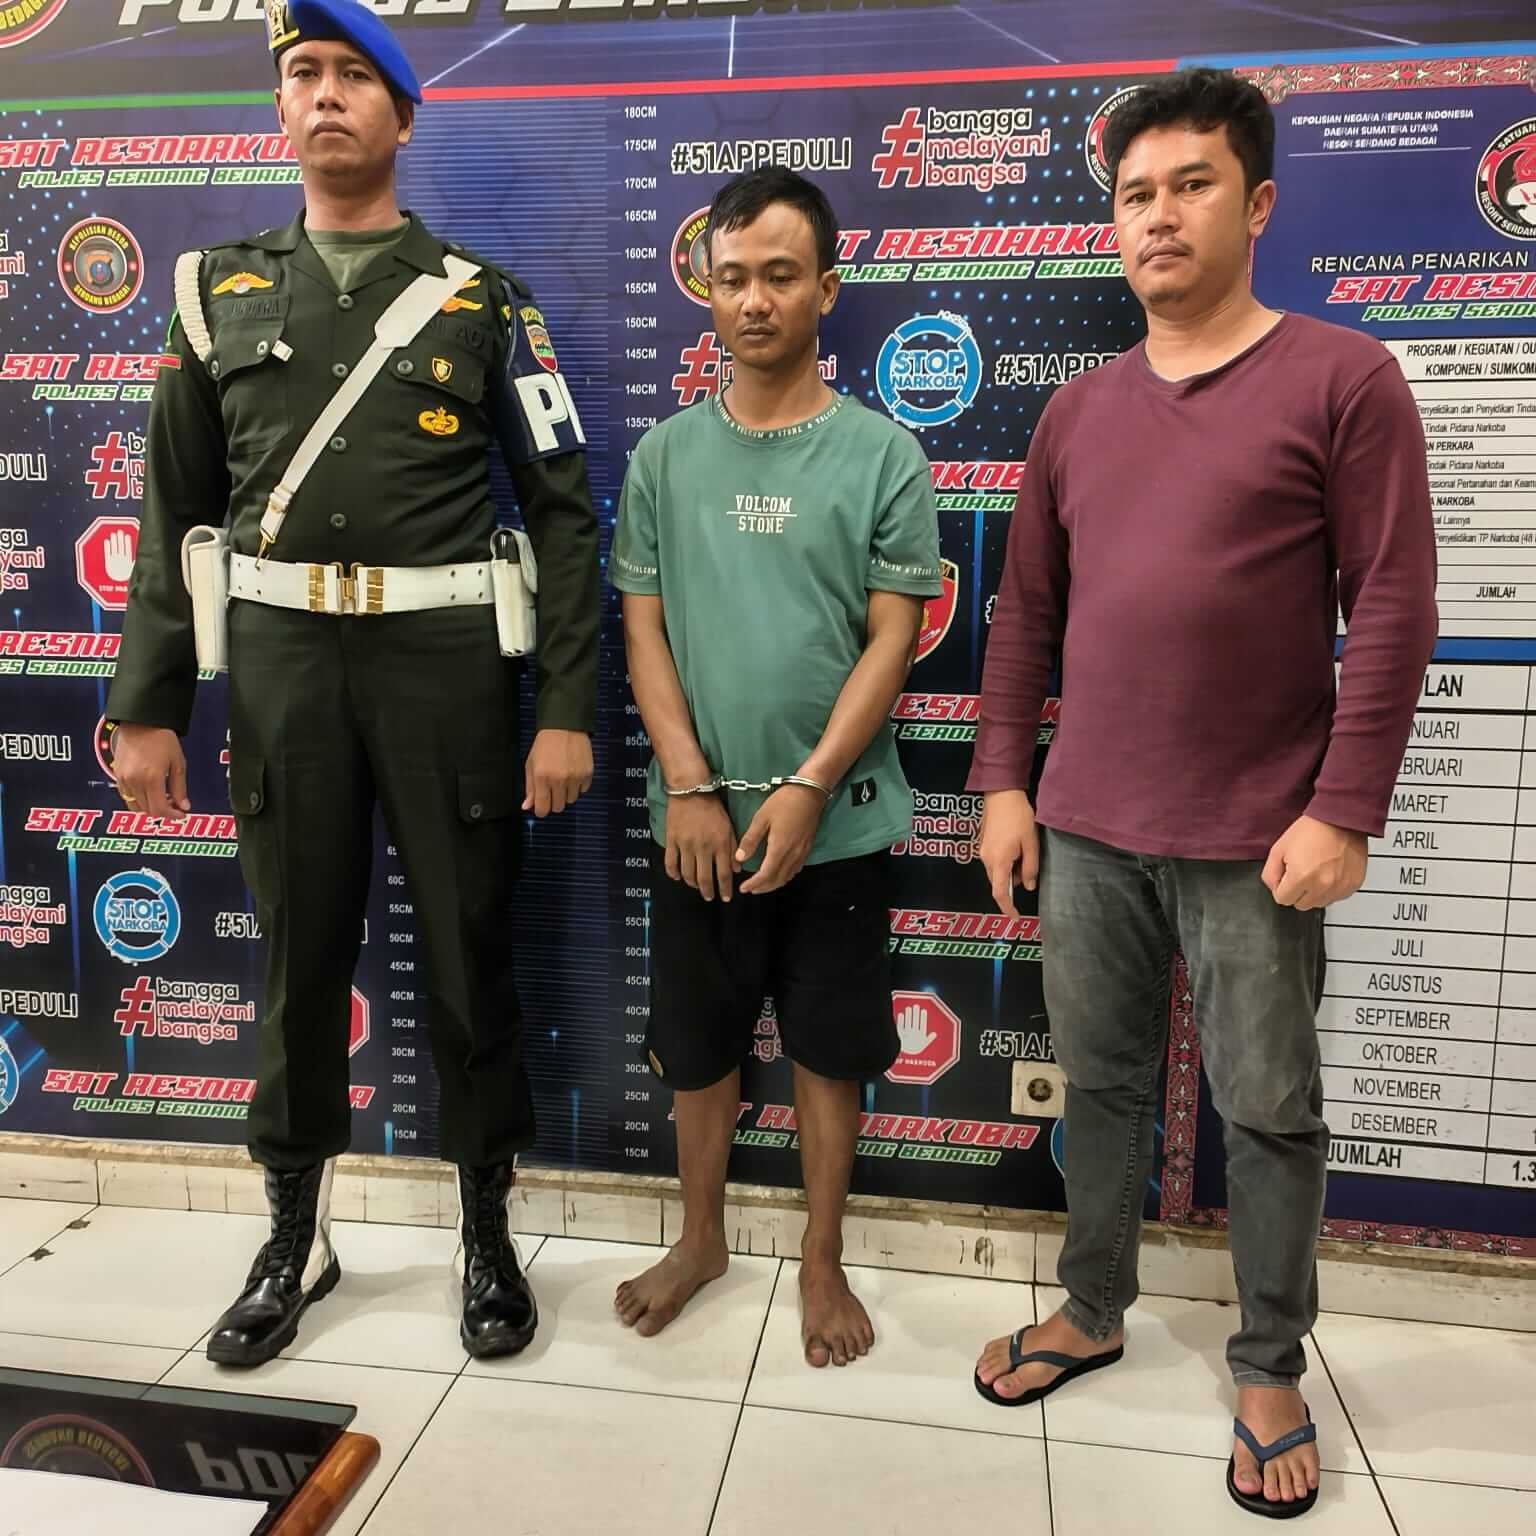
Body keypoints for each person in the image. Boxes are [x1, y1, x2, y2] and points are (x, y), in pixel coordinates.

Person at [967, 69, 1436, 1517]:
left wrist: (1345, 808)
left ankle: (1271, 1363)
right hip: (1088, 827)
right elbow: (1026, 618)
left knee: (1271, 1108)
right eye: (1135, 194)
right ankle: (1091, 1307)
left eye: (1193, 185)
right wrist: (1002, 784)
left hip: (1260, 837)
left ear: (1260, 203)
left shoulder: (1344, 380)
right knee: (1100, 1088)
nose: (1159, 215)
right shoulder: (1078, 413)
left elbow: (1394, 606)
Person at [106, 0, 599, 1367]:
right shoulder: (212, 291)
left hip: (445, 670)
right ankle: (295, 1236)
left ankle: (486, 1230)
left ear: (402, 113)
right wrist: (146, 705)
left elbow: (563, 515)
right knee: (296, 960)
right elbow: (173, 511)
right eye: (302, 74)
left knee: (469, 952)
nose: (325, 95)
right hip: (281, 674)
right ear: (280, 108)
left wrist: (565, 708)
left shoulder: (485, 299)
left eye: (353, 76)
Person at [608, 168, 942, 1367]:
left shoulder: (884, 455)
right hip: (698, 828)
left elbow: (892, 639)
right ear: (707, 289)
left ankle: (821, 1257)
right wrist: (691, 787)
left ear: (825, 291)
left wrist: (807, 788)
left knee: (829, 1051)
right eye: (733, 277)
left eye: (781, 276)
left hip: (838, 826)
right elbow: (643, 629)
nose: (754, 300)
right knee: (699, 1050)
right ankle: (700, 1239)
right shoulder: (664, 459)